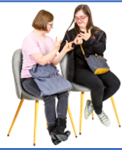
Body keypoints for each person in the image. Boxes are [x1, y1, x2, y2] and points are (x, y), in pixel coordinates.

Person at [59, 4, 121, 127]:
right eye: (76, 17)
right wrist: (74, 43)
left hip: (96, 67)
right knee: (97, 84)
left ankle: (93, 104)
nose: (79, 20)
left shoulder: (99, 33)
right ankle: (99, 111)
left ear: (89, 16)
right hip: (79, 70)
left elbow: (102, 49)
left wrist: (90, 40)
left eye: (82, 17)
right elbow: (61, 50)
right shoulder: (71, 34)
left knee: (115, 83)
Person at [20, 10, 73, 145]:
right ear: (43, 23)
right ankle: (53, 132)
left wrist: (63, 50)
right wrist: (55, 49)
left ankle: (59, 129)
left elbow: (53, 62)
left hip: (47, 76)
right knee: (48, 96)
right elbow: (42, 61)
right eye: (50, 24)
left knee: (63, 92)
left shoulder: (49, 40)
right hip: (30, 78)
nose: (52, 27)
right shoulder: (29, 40)